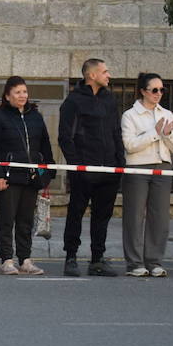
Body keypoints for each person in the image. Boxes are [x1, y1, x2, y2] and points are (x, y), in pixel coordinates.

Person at [59, 58, 124, 276]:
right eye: (105, 72)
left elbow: (116, 132)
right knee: (75, 213)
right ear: (92, 75)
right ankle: (71, 257)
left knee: (102, 216)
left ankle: (97, 259)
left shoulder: (109, 100)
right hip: (84, 170)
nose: (109, 75)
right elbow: (65, 137)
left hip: (109, 170)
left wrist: (119, 163)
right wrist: (77, 165)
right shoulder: (74, 101)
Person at [0, 76, 55, 275]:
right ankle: (7, 259)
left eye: (24, 91)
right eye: (17, 92)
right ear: (7, 96)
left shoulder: (35, 116)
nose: (22, 95)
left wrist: (48, 172)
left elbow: (45, 144)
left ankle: (25, 260)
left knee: (26, 221)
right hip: (8, 178)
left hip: (31, 178)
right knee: (6, 220)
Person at [121, 72, 173, 277]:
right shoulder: (130, 115)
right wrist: (155, 133)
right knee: (134, 216)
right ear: (143, 91)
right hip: (138, 168)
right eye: (154, 90)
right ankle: (134, 262)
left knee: (160, 217)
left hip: (162, 166)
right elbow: (130, 146)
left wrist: (168, 133)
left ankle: (154, 261)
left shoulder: (166, 113)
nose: (158, 93)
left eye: (162, 90)